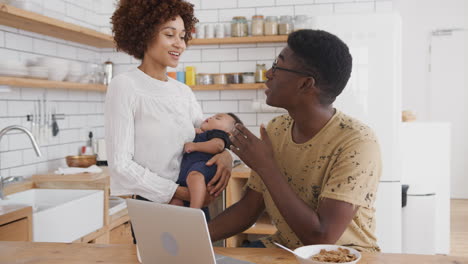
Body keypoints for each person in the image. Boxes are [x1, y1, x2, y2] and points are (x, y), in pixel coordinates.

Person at [208, 29, 382, 252]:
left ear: (305, 84)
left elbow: (321, 238)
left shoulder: (357, 143)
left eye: (277, 67)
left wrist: (265, 165)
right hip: (284, 250)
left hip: (342, 256)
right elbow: (248, 209)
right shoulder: (277, 129)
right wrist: (190, 236)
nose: (268, 74)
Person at [105, 0, 233, 232]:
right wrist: (179, 192)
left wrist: (226, 154)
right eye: (169, 34)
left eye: (182, 36)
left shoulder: (182, 91)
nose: (179, 44)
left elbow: (209, 132)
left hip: (194, 196)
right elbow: (120, 165)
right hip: (154, 203)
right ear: (144, 34)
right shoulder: (125, 86)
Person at [170, 113, 243, 209]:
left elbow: (217, 146)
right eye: (213, 116)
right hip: (188, 171)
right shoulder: (203, 133)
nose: (211, 117)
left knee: (194, 177)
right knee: (175, 201)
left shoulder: (218, 134)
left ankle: (195, 210)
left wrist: (195, 146)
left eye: (218, 118)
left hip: (204, 166)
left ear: (228, 134)